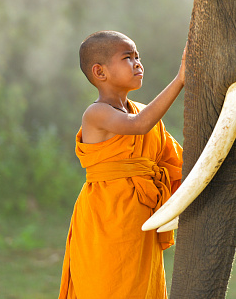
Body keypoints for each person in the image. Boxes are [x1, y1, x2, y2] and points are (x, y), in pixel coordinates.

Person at [59, 30, 185, 299]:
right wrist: (179, 80)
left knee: (142, 287)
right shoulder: (96, 113)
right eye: (128, 57)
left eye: (138, 56)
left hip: (142, 219)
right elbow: (138, 127)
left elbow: (175, 159)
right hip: (107, 218)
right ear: (100, 72)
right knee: (107, 286)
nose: (138, 63)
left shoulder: (140, 110)